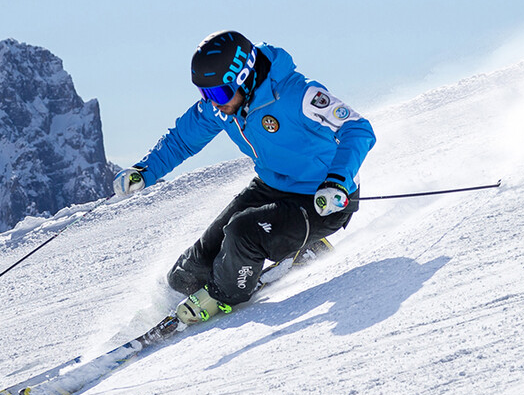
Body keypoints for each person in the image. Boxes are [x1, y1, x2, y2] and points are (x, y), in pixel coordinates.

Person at [113, 31, 376, 324]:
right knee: (188, 274)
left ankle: (225, 296)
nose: (214, 103)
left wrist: (337, 181)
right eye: (205, 94)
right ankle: (293, 251)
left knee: (242, 234)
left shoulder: (297, 95)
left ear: (245, 77)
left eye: (220, 94)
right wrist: (143, 172)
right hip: (271, 188)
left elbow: (359, 129)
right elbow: (181, 141)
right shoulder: (222, 108)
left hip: (322, 200)